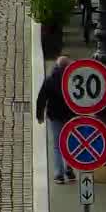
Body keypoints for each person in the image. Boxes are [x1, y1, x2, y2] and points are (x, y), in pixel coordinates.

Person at [36, 55, 74, 183]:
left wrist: (39, 115)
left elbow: (41, 98)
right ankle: (69, 168)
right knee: (69, 143)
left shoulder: (50, 80)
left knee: (57, 145)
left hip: (54, 116)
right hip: (70, 116)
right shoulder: (72, 79)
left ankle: (59, 174)